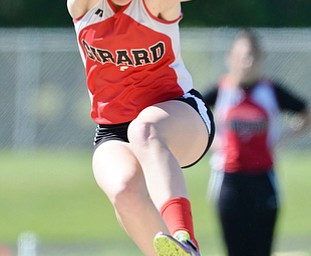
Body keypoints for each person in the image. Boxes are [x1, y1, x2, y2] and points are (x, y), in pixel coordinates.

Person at [66, 0, 215, 255]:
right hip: (112, 129)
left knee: (144, 130)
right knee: (124, 189)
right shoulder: (84, 4)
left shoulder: (156, 4)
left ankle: (185, 237)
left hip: (176, 113)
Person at [202, 28, 310, 256]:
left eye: (252, 56)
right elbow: (190, 117)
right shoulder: (221, 91)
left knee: (261, 250)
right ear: (230, 58)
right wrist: (212, 143)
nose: (247, 62)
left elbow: (305, 113)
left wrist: (283, 138)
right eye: (241, 56)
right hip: (229, 181)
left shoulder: (271, 90)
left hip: (263, 180)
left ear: (260, 59)